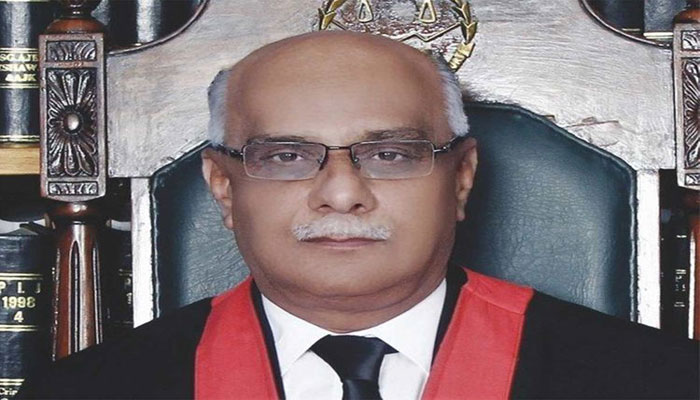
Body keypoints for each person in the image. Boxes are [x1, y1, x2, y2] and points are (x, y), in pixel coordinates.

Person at [18, 31, 698, 400]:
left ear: (461, 179)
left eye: (392, 154)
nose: (342, 194)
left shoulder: (659, 384)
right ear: (223, 187)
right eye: (286, 155)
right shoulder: (85, 394)